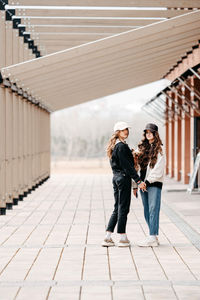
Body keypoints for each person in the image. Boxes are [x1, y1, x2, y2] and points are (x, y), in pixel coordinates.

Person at [102, 121, 146, 248]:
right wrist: (138, 181)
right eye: (122, 130)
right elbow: (127, 167)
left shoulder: (115, 146)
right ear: (117, 132)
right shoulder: (121, 146)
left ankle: (108, 237)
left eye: (126, 129)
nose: (126, 131)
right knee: (123, 208)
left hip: (116, 178)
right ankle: (122, 237)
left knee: (117, 207)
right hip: (123, 178)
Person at [134, 123, 165, 247]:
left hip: (153, 183)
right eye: (146, 132)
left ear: (155, 133)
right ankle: (153, 236)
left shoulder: (160, 148)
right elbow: (135, 165)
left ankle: (152, 237)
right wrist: (136, 184)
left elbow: (159, 168)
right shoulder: (141, 148)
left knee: (153, 209)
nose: (148, 134)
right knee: (146, 210)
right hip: (142, 184)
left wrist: (147, 182)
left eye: (151, 132)